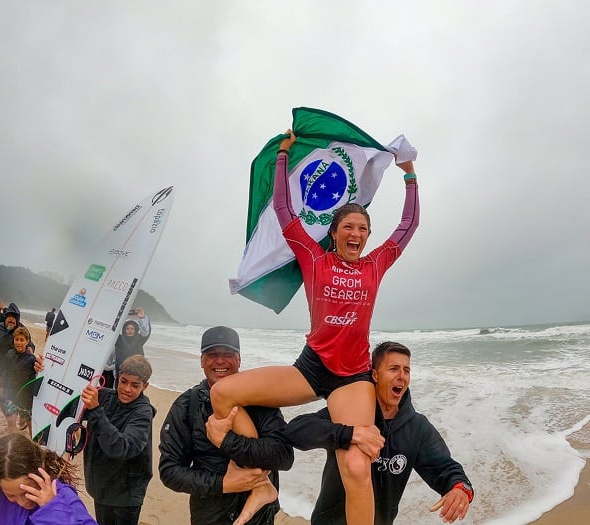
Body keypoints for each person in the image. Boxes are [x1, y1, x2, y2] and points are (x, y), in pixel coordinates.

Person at [210, 130, 420, 524]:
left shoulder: (375, 264)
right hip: (311, 368)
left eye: (362, 229)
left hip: (353, 378)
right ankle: (260, 481)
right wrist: (283, 157)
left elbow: (407, 226)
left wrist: (409, 175)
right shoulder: (314, 257)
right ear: (335, 233)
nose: (356, 234)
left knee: (356, 468)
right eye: (348, 227)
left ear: (368, 236)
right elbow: (284, 207)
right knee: (223, 393)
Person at [286, 341, 474, 524]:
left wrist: (460, 488)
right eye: (393, 369)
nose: (402, 376)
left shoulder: (417, 427)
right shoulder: (351, 413)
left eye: (406, 370)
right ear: (375, 375)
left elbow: (445, 468)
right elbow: (296, 430)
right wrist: (349, 433)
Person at [159, 326, 293, 525]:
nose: (220, 361)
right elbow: (170, 471)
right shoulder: (188, 405)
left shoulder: (261, 402)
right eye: (212, 354)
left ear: (239, 359)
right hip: (211, 516)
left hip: (259, 516)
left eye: (227, 354)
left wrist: (227, 441)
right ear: (202, 360)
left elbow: (283, 457)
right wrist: (223, 484)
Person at [81, 354, 155, 525]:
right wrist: (42, 370)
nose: (127, 389)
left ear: (145, 386)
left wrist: (96, 411)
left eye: (135, 385)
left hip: (125, 496)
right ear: (117, 378)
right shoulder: (104, 396)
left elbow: (122, 448)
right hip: (101, 488)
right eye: (124, 381)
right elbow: (68, 396)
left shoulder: (143, 413)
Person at [0, 433, 97, 525]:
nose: (22, 502)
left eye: (27, 492)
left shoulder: (62, 495)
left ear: (40, 471)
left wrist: (53, 508)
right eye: (11, 495)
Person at [0, 303, 33, 401]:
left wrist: (30, 348)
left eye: (14, 317)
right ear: (5, 317)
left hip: (11, 364)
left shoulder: (22, 329)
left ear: (17, 320)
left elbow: (30, 343)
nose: (11, 319)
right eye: (9, 316)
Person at [1, 326, 37, 433]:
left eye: (22, 340)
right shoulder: (9, 354)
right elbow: (6, 373)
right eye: (16, 339)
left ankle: (33, 447)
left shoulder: (32, 359)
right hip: (11, 396)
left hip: (26, 400)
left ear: (27, 341)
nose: (19, 343)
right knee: (10, 424)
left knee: (32, 427)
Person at [105, 307, 151, 388]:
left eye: (132, 329)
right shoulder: (118, 340)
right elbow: (112, 329)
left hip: (137, 372)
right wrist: (123, 316)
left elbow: (146, 332)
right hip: (120, 372)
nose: (130, 330)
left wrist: (142, 318)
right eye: (127, 328)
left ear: (136, 330)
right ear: (124, 330)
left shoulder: (140, 340)